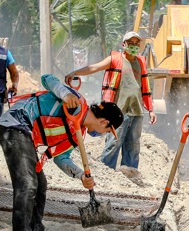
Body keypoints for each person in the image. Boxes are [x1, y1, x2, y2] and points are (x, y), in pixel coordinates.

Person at [0, 74, 123, 231]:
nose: (102, 134)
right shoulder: (76, 102)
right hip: (15, 126)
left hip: (25, 134)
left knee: (40, 185)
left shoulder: (76, 131)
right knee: (27, 184)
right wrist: (65, 94)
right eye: (106, 131)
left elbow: (61, 158)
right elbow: (47, 79)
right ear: (104, 122)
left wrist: (81, 175)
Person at [65, 31, 156, 171]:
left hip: (137, 111)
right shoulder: (115, 59)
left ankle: (130, 174)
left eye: (137, 44)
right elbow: (94, 67)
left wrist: (151, 110)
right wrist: (75, 73)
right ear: (124, 44)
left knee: (133, 145)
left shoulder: (141, 62)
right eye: (130, 43)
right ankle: (107, 172)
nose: (134, 46)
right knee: (114, 143)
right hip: (118, 111)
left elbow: (145, 88)